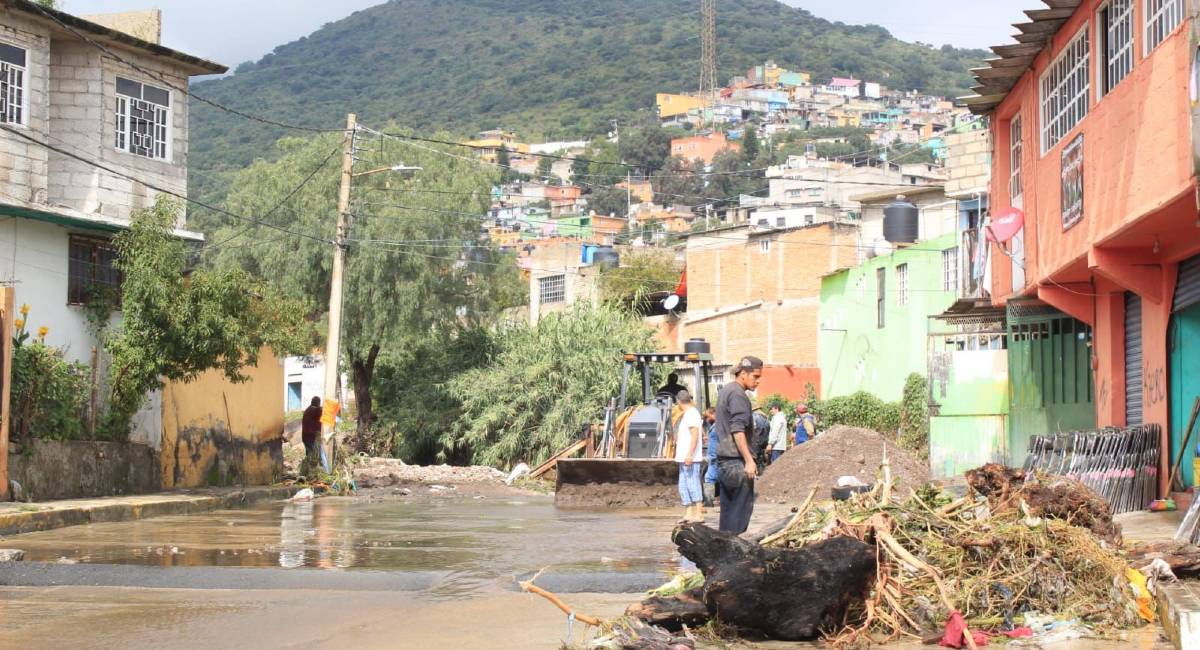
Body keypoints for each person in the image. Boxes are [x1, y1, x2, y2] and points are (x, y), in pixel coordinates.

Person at [715, 356, 763, 534]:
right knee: (739, 516)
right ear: (743, 373)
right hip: (736, 463)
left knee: (728, 515)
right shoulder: (738, 395)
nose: (758, 381)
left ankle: (722, 554)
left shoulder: (727, 390)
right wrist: (749, 460)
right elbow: (738, 430)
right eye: (755, 376)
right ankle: (732, 555)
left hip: (725, 463)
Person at [674, 390, 705, 522]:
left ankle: (699, 513)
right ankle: (689, 512)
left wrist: (690, 454)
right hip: (683, 457)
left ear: (679, 402)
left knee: (693, 483)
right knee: (683, 485)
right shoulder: (687, 414)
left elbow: (695, 436)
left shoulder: (692, 414)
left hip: (690, 457)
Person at [702, 407, 718, 507]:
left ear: (713, 414)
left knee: (709, 477)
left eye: (708, 417)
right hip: (715, 456)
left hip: (715, 456)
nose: (707, 420)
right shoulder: (716, 426)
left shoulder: (717, 427)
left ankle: (708, 501)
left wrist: (711, 456)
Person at [301, 397, 323, 472]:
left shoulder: (308, 410)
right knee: (313, 455)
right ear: (318, 403)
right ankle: (311, 471)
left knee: (310, 454)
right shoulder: (314, 410)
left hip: (306, 437)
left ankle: (308, 470)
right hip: (310, 437)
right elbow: (320, 412)